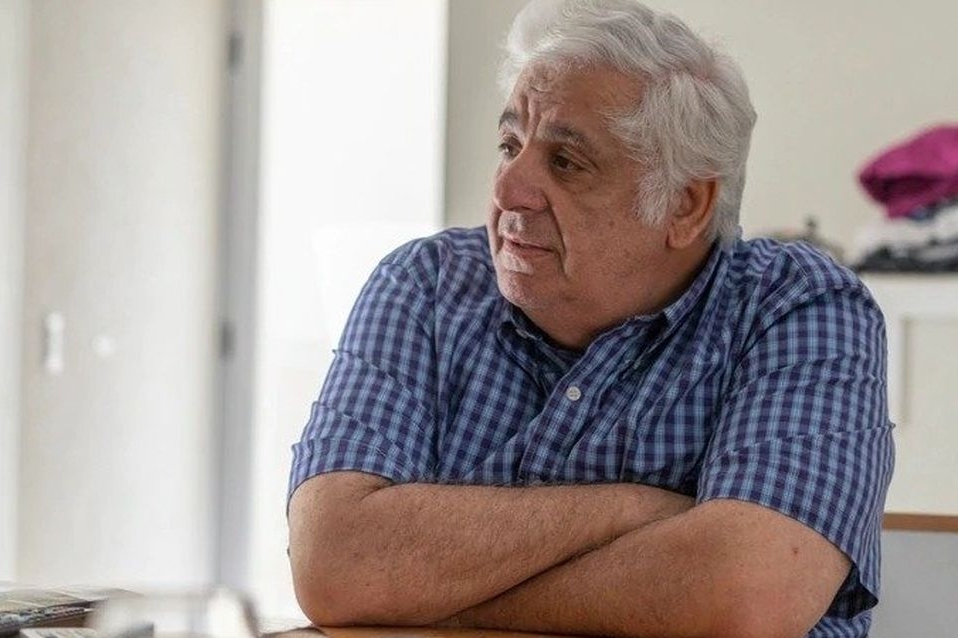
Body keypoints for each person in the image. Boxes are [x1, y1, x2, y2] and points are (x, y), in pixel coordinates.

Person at [287, 1, 894, 636]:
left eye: (566, 163)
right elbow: (334, 565)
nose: (507, 190)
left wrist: (427, 594)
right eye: (509, 145)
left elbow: (744, 595)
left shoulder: (800, 307)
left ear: (685, 206)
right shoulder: (423, 285)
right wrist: (628, 510)